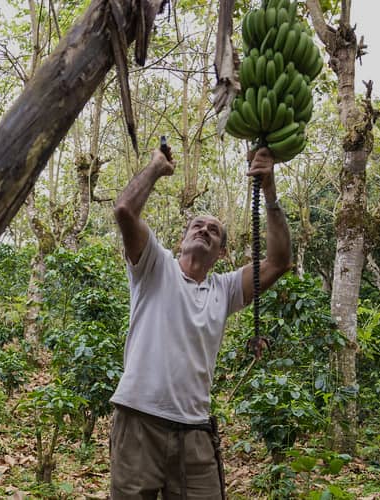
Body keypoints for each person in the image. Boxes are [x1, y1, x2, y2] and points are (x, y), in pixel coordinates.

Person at [108, 146, 291, 499]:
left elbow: (279, 260)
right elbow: (125, 211)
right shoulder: (154, 267)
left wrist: (268, 190)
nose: (205, 230)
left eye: (214, 230)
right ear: (181, 240)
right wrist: (155, 168)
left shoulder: (224, 288)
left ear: (222, 253)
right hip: (139, 423)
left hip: (195, 433)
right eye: (197, 225)